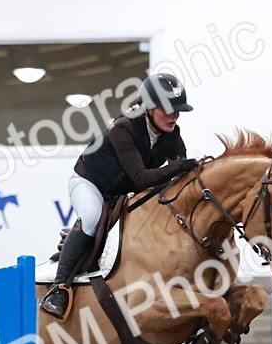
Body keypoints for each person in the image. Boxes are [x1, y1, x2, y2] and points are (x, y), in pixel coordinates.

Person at [40, 72, 199, 319]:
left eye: (178, 110)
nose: (175, 115)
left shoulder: (172, 135)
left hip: (122, 194)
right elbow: (141, 177)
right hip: (89, 183)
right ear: (148, 107)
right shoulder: (124, 127)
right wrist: (180, 166)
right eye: (169, 109)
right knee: (92, 215)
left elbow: (181, 176)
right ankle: (58, 289)